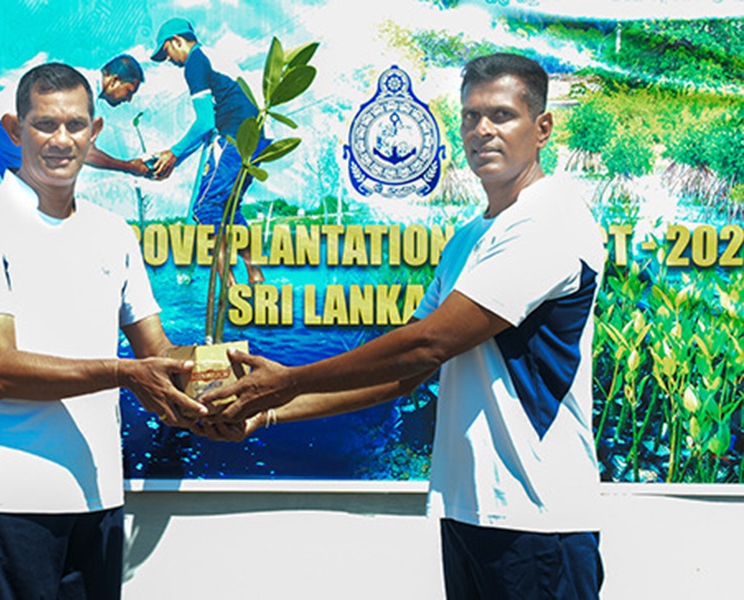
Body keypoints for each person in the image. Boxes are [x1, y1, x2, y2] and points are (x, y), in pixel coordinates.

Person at [198, 53, 605, 599]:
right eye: (470, 116)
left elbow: (427, 343)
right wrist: (267, 412)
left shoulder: (551, 219)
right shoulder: (469, 237)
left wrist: (288, 380)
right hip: (472, 509)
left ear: (543, 128)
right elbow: (402, 376)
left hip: (538, 518)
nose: (481, 130)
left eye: (502, 116)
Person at [0, 62, 207, 599]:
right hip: (7, 502)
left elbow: (159, 353)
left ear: (95, 131)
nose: (62, 140)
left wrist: (228, 375)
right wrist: (124, 374)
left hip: (98, 497)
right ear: (15, 130)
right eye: (45, 125)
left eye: (76, 125)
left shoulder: (113, 234)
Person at [150, 17, 265, 285]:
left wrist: (174, 153)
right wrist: (175, 158)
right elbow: (211, 124)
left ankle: (228, 284)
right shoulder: (215, 57)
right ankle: (255, 275)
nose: (169, 60)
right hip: (255, 139)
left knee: (204, 208)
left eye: (166, 53)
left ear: (176, 41)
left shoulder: (194, 62)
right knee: (229, 207)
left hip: (233, 138)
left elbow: (204, 122)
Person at [0, 54, 153, 178]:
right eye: (129, 91)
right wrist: (128, 166)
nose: (128, 99)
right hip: (3, 125)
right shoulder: (82, 90)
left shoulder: (86, 85)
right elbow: (87, 154)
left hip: (2, 124)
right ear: (114, 80)